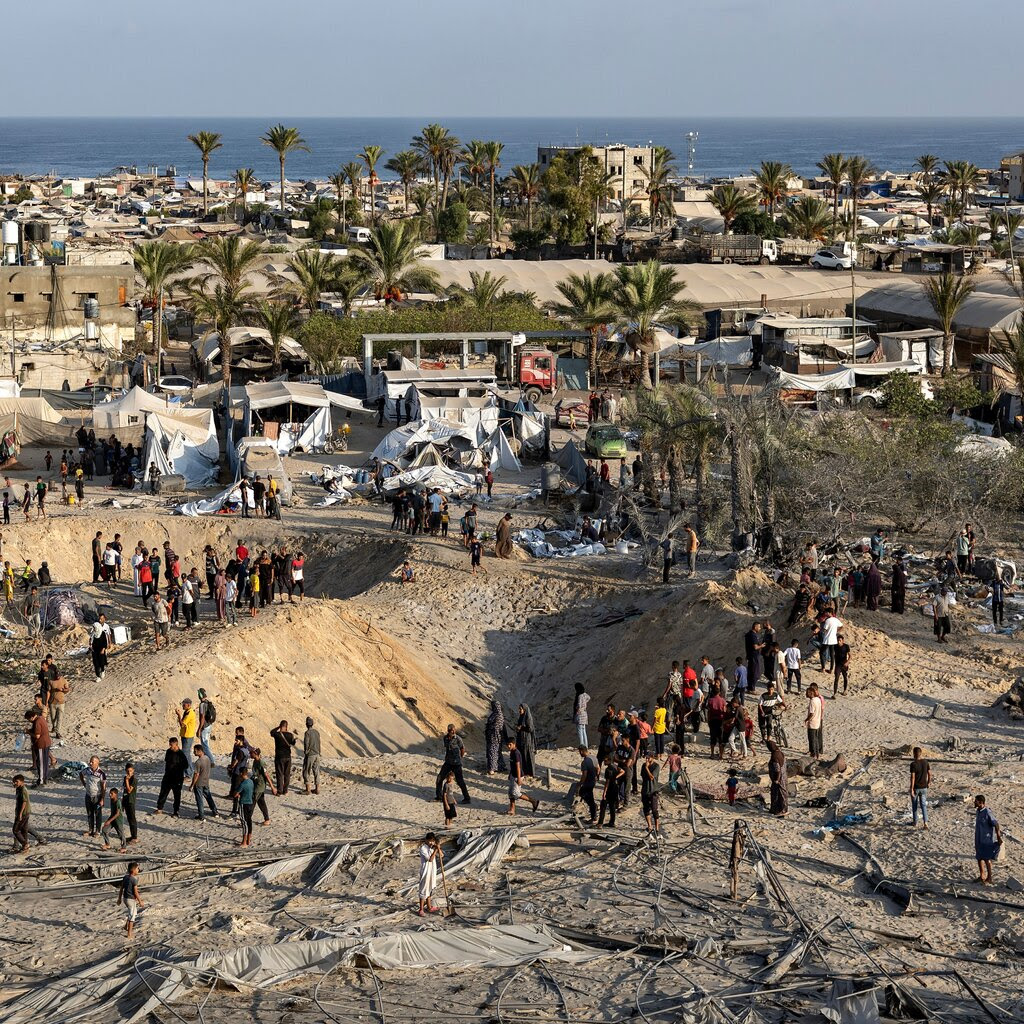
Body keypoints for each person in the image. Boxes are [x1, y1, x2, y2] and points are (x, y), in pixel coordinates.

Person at [435, 723, 472, 802]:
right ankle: (439, 796)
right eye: (451, 731)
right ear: (448, 731)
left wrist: (460, 758)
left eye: (454, 730)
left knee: (460, 781)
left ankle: (467, 798)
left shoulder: (458, 739)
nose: (453, 732)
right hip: (448, 762)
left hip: (456, 764)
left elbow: (462, 749)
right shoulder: (445, 738)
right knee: (439, 778)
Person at [154, 737, 188, 817]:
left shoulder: (181, 755)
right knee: (163, 793)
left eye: (171, 745)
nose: (170, 746)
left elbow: (186, 765)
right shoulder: (168, 751)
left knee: (177, 795)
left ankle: (176, 811)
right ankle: (159, 809)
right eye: (169, 744)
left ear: (176, 744)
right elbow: (167, 762)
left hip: (177, 778)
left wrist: (177, 769)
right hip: (167, 776)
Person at [12, 774, 45, 852]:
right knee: (24, 829)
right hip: (22, 812)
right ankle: (25, 845)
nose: (14, 783)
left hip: (23, 813)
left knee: (16, 830)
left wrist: (20, 814)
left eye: (16, 781)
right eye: (14, 782)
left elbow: (24, 802)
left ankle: (24, 844)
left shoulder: (23, 790)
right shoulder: (18, 788)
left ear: (22, 782)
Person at [974, 795, 1002, 884]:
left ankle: (989, 878)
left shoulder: (987, 812)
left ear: (981, 802)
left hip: (986, 840)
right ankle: (982, 875)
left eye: (976, 801)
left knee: (986, 859)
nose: (974, 802)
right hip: (978, 839)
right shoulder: (978, 811)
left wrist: (998, 837)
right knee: (979, 857)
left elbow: (996, 824)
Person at [506, 737, 538, 814]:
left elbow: (518, 767)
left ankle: (533, 801)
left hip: (518, 776)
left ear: (514, 744)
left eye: (510, 745)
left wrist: (519, 779)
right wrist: (510, 774)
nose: (508, 746)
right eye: (507, 745)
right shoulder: (512, 752)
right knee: (510, 793)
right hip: (513, 775)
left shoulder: (516, 753)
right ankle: (512, 809)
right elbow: (512, 765)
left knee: (516, 793)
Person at [80, 756, 107, 837]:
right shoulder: (87, 770)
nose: (90, 763)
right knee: (89, 813)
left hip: (97, 796)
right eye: (90, 761)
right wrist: (84, 783)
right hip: (88, 795)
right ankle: (91, 830)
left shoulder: (101, 773)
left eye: (92, 762)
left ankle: (98, 831)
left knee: (98, 814)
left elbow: (104, 788)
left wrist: (102, 799)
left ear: (97, 763)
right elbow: (81, 774)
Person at [118, 862, 145, 939]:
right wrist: (140, 901)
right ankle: (129, 933)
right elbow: (136, 892)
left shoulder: (125, 877)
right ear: (133, 870)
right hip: (131, 900)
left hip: (125, 899)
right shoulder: (134, 880)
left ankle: (126, 926)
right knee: (132, 916)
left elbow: (121, 888)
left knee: (132, 912)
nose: (138, 870)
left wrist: (119, 898)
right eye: (137, 868)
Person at [270, 720, 296, 795]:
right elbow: (293, 743)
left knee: (280, 773)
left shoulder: (277, 734)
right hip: (288, 756)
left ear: (280, 726)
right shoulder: (290, 735)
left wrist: (278, 727)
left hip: (279, 756)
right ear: (286, 726)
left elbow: (271, 732)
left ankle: (280, 790)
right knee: (287, 774)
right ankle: (285, 790)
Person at [418, 833, 441, 915]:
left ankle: (429, 907)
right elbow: (430, 859)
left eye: (432, 841)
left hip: (432, 871)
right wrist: (435, 850)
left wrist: (438, 848)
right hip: (425, 871)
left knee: (430, 888)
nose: (431, 843)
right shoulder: (423, 848)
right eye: (430, 841)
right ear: (426, 840)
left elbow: (441, 855)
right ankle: (421, 909)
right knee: (424, 889)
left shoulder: (432, 847)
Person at [598, 754, 624, 826]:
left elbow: (607, 782)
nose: (604, 762)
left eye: (605, 761)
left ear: (609, 761)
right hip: (615, 788)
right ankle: (612, 822)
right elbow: (622, 771)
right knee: (612, 806)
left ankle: (600, 823)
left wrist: (604, 792)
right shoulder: (615, 766)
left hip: (610, 789)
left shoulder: (608, 770)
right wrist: (616, 777)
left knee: (603, 805)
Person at [909, 747, 930, 830]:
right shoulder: (925, 762)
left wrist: (911, 788)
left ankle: (915, 822)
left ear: (914, 754)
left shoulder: (913, 764)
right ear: (921, 753)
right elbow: (929, 774)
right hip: (924, 787)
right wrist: (928, 783)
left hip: (916, 788)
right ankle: (925, 823)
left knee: (914, 805)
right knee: (923, 805)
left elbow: (913, 778)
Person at [100, 787, 127, 851]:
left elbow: (117, 814)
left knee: (121, 835)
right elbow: (112, 813)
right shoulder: (111, 800)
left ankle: (124, 847)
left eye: (111, 793)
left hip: (118, 821)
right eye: (110, 793)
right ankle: (107, 844)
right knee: (104, 830)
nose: (110, 795)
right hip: (112, 820)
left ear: (116, 794)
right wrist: (108, 820)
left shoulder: (118, 802)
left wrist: (109, 821)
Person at [640, 752, 661, 834]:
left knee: (654, 810)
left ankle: (657, 828)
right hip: (645, 790)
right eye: (646, 758)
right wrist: (645, 767)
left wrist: (647, 768)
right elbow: (643, 775)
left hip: (653, 790)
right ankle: (649, 826)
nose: (647, 759)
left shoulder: (656, 766)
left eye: (648, 758)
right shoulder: (643, 766)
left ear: (652, 758)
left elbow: (652, 777)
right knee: (646, 809)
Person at [766, 739, 788, 817]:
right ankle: (775, 809)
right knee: (777, 793)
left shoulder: (774, 756)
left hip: (779, 778)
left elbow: (777, 769)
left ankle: (781, 810)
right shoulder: (780, 752)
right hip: (784, 776)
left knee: (779, 794)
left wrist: (776, 780)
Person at [576, 746, 598, 823]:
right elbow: (597, 768)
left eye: (579, 752)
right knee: (586, 795)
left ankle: (593, 816)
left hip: (588, 782)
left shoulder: (584, 762)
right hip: (592, 780)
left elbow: (584, 774)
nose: (580, 754)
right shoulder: (592, 758)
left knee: (587, 797)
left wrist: (580, 783)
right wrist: (596, 776)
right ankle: (593, 808)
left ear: (582, 751)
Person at [175, 698, 198, 771]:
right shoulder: (187, 712)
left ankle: (189, 773)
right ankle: (190, 771)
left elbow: (182, 724)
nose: (183, 706)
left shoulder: (190, 713)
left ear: (188, 705)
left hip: (188, 736)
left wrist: (178, 715)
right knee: (187, 755)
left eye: (184, 704)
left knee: (185, 755)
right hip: (185, 735)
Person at [484, 700, 506, 775]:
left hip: (495, 737)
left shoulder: (499, 715)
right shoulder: (494, 714)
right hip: (492, 737)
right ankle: (498, 766)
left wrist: (489, 726)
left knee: (493, 752)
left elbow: (497, 727)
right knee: (494, 752)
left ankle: (492, 768)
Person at [515, 703, 536, 777]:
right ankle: (523, 771)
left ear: (525, 709)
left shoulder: (528, 717)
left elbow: (530, 728)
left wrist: (521, 728)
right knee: (522, 755)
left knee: (527, 755)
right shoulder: (521, 717)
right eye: (519, 709)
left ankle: (529, 773)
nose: (519, 710)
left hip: (527, 739)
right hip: (521, 738)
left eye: (520, 709)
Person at [90, 613, 112, 682]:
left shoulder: (104, 629)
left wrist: (109, 644)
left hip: (102, 648)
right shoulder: (94, 632)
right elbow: (90, 638)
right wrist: (90, 646)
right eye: (99, 618)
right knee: (96, 663)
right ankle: (98, 676)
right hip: (94, 650)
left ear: (104, 619)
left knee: (102, 660)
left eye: (102, 618)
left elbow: (108, 636)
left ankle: (102, 670)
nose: (100, 620)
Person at [805, 683, 824, 760]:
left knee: (812, 739)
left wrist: (807, 719)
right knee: (816, 739)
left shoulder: (813, 701)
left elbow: (811, 713)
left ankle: (813, 754)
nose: (806, 694)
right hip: (817, 722)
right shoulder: (818, 699)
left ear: (810, 693)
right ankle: (817, 753)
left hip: (812, 723)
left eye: (807, 693)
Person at [302, 717, 321, 795]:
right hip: (317, 754)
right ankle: (317, 789)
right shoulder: (317, 732)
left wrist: (306, 752)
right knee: (316, 771)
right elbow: (319, 742)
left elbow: (306, 743)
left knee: (306, 771)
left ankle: (308, 789)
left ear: (306, 724)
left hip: (310, 755)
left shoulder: (307, 733)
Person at [237, 767, 255, 846]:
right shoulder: (251, 781)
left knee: (244, 822)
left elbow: (236, 794)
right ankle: (248, 840)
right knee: (249, 821)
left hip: (243, 803)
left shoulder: (243, 784)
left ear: (241, 773)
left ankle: (244, 842)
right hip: (250, 803)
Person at [197, 689, 215, 762]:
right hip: (209, 725)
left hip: (204, 726)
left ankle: (212, 761)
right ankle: (207, 760)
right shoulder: (208, 703)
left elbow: (202, 717)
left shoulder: (202, 704)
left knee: (204, 745)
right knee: (207, 744)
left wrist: (199, 729)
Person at [122, 763, 138, 844]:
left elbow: (129, 790)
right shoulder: (125, 778)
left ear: (133, 771)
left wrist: (127, 781)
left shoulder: (134, 780)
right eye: (128, 771)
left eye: (130, 771)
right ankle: (132, 836)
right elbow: (124, 790)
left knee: (132, 819)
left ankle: (135, 837)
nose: (129, 773)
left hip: (131, 801)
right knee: (129, 819)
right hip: (126, 800)